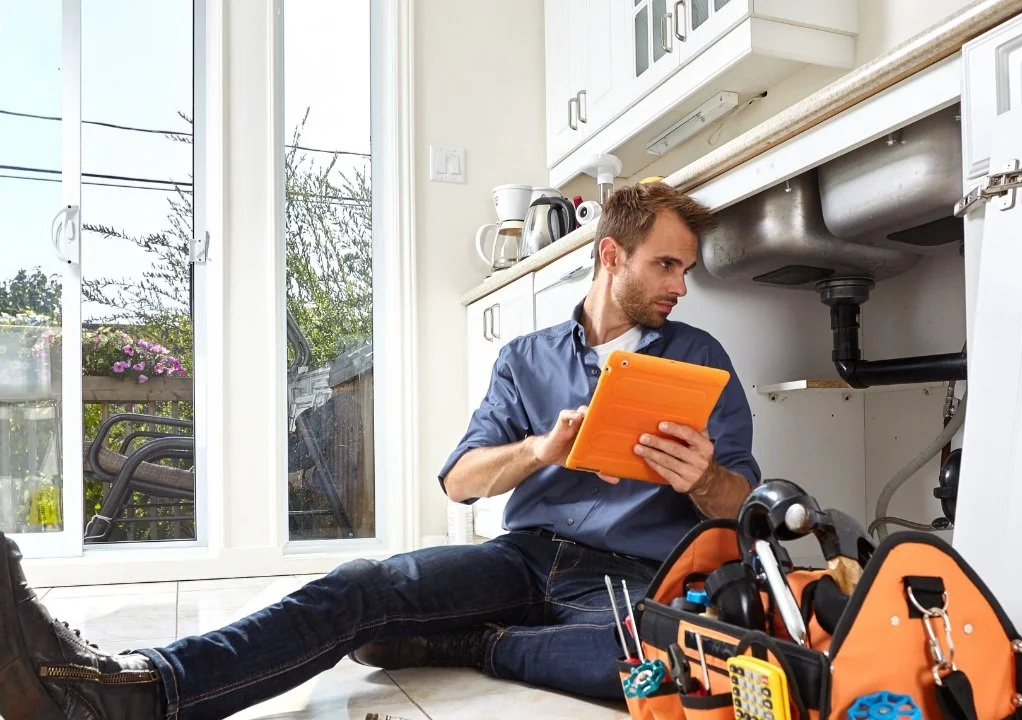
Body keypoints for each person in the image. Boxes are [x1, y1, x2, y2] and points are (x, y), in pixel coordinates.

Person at [0, 182, 761, 720]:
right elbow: (460, 484)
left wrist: (704, 480)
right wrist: (540, 449)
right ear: (610, 256)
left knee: (665, 658)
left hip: (629, 578)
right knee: (362, 586)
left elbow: (742, 504)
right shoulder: (527, 359)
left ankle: (466, 644)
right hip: (525, 555)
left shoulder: (701, 359)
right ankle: (139, 690)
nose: (680, 287)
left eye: (686, 270)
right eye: (666, 265)